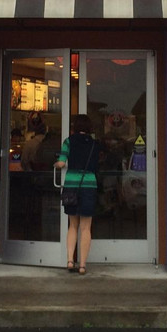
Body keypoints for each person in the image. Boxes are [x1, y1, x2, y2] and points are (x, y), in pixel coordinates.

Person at [54, 114, 100, 274]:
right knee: (86, 228)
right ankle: (82, 265)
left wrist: (56, 164)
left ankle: (69, 260)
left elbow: (61, 163)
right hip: (89, 185)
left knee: (73, 225)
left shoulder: (68, 141)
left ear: (75, 126)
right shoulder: (95, 144)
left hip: (71, 185)